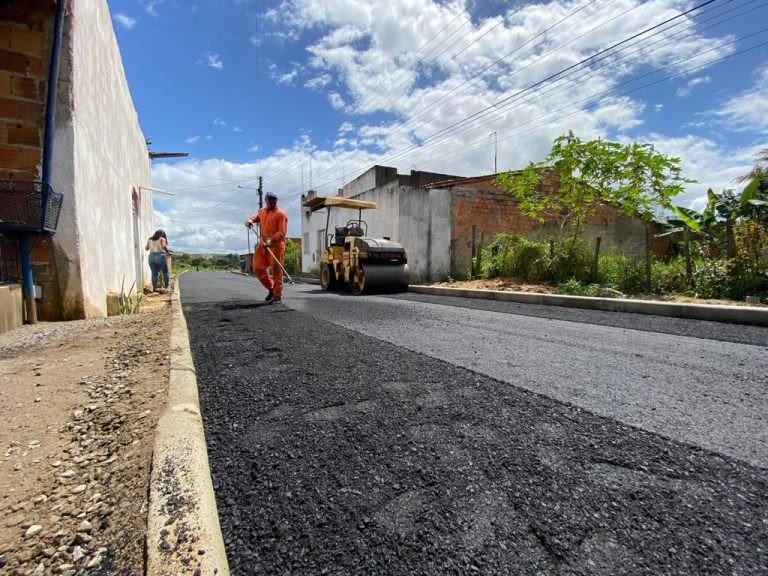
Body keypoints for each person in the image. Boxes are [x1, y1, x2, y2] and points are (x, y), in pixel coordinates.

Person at [244, 192, 288, 303]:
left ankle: (277, 295)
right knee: (257, 268)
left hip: (276, 246)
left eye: (275, 200)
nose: (273, 202)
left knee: (276, 271)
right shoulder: (262, 211)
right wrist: (250, 220)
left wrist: (271, 240)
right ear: (266, 201)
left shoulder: (280, 214)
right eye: (271, 200)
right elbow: (256, 217)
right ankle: (271, 289)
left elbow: (281, 232)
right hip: (263, 244)